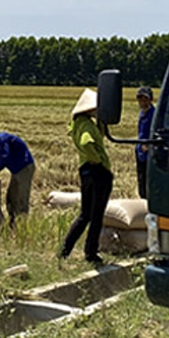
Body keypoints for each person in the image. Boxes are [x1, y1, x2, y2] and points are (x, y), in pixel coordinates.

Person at [59, 88, 112, 265]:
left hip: (85, 171)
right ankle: (91, 252)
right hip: (98, 172)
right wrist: (97, 160)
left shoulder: (79, 124)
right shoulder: (87, 126)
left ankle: (64, 250)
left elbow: (98, 137)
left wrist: (102, 123)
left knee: (85, 215)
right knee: (96, 216)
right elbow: (87, 142)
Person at [135, 85, 155, 199]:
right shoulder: (142, 113)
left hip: (149, 152)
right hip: (140, 151)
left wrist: (149, 145)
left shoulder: (154, 115)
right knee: (141, 179)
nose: (142, 102)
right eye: (140, 99)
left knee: (148, 182)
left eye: (145, 99)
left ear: (150, 100)